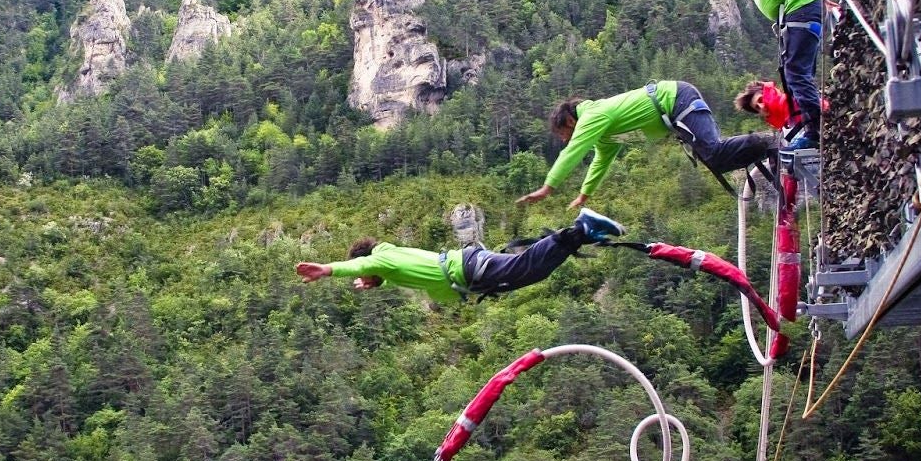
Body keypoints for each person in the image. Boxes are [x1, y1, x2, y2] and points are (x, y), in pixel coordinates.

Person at [515, 82, 777, 208]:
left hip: (677, 101)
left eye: (563, 133)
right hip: (676, 110)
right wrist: (585, 194)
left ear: (571, 120)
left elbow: (574, 151)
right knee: (716, 159)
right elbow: (601, 160)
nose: (564, 140)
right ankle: (765, 147)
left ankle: (768, 142)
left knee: (715, 152)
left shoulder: (593, 116)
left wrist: (548, 187)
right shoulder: (604, 134)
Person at [295, 208, 626, 303]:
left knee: (525, 267)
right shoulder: (391, 259)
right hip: (469, 268)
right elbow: (386, 270)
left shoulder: (382, 261)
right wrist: (376, 284)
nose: (362, 277)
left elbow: (366, 264)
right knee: (529, 272)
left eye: (364, 274)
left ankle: (579, 229)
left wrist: (327, 269)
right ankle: (583, 234)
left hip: (468, 271)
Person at [692, 0, 824, 147]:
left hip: (799, 8)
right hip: (797, 10)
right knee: (794, 75)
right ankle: (808, 125)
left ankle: (816, 132)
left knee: (796, 72)